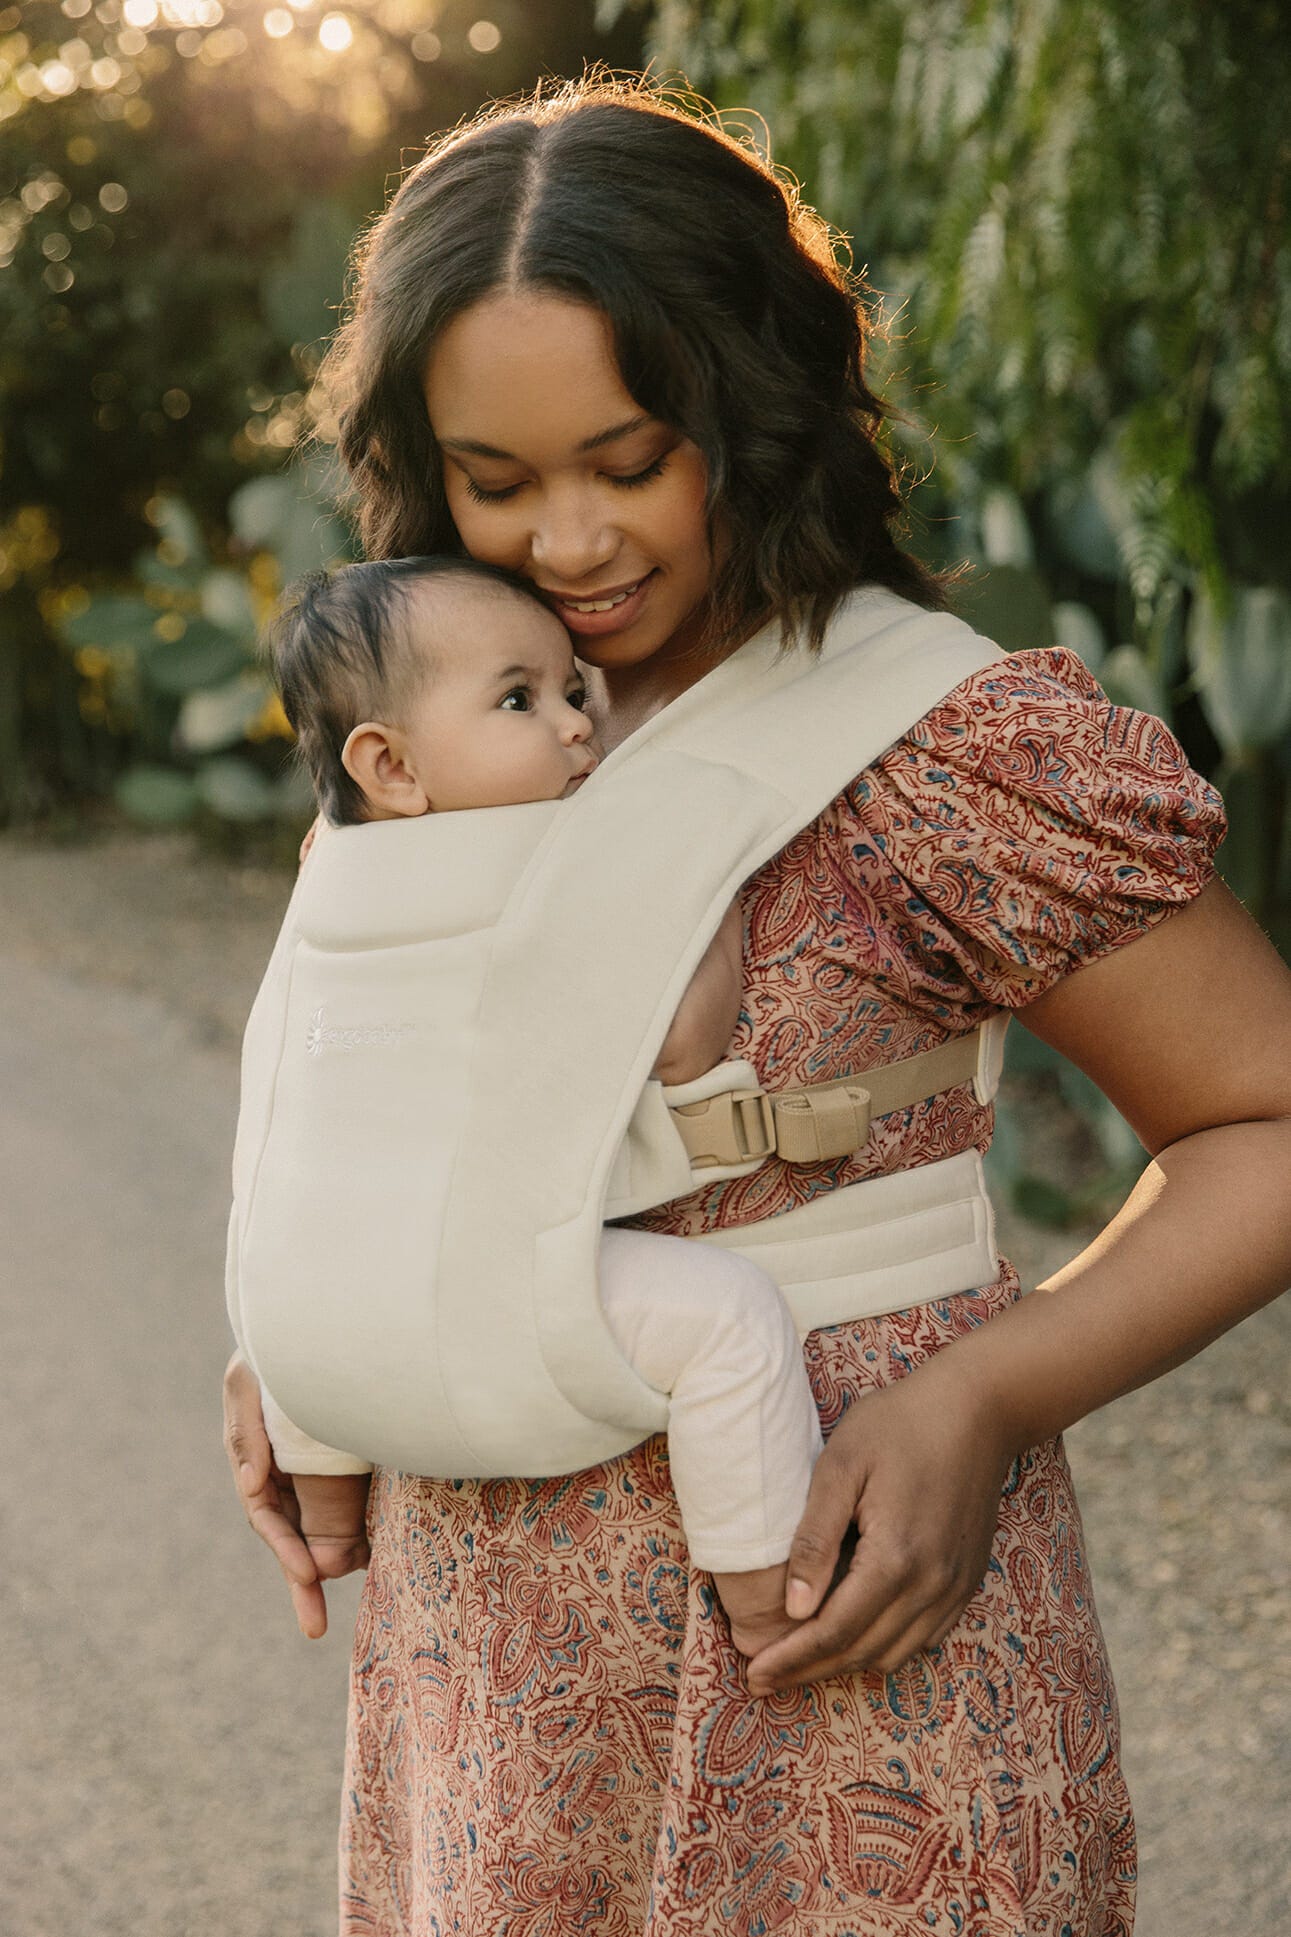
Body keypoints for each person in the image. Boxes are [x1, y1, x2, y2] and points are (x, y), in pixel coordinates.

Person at [222, 76, 1291, 1936]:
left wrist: (989, 1395)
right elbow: (372, 1087)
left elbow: (1264, 1116)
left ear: (755, 403)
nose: (565, 544)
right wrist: (316, 1326)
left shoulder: (946, 747)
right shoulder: (424, 742)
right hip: (507, 1681)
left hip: (856, 1624)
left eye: (630, 460)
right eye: (496, 478)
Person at [238, 551, 823, 1657]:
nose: (574, 728)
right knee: (731, 1320)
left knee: (318, 1243)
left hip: (299, 1315)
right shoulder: (554, 861)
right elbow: (687, 1040)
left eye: (572, 691)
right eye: (520, 698)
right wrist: (711, 891)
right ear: (392, 765)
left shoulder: (326, 868)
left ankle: (325, 1515)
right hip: (492, 1292)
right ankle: (762, 1595)